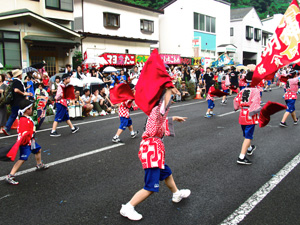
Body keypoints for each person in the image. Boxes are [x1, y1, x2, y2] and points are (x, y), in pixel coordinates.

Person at [120, 88, 190, 221]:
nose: (171, 101)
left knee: (166, 172)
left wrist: (174, 118)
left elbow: (162, 119)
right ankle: (128, 207)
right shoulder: (158, 110)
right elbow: (165, 105)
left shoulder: (156, 112)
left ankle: (176, 193)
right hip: (152, 151)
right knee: (151, 186)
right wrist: (169, 88)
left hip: (153, 150)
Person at [5, 99, 49, 185]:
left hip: (31, 141)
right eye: (31, 108)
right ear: (27, 110)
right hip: (26, 143)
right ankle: (10, 175)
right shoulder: (23, 120)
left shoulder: (26, 118)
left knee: (38, 150)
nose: (32, 110)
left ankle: (39, 164)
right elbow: (22, 133)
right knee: (22, 159)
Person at [233, 72, 260, 165]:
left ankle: (249, 148)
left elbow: (236, 100)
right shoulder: (256, 90)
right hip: (250, 114)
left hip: (242, 113)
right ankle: (241, 157)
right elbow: (255, 104)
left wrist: (236, 107)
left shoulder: (243, 90)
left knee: (245, 134)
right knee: (248, 136)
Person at [3, 69, 33, 136]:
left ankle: (10, 128)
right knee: (17, 114)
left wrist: (27, 94)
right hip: (18, 101)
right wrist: (24, 94)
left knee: (15, 114)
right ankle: (8, 127)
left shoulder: (14, 81)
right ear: (19, 75)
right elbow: (16, 90)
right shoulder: (17, 81)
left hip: (15, 101)